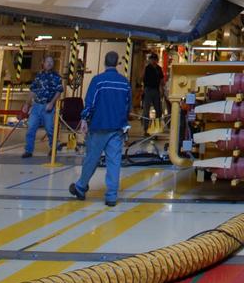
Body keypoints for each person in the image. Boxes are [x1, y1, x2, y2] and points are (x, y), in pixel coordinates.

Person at [69, 51, 132, 207]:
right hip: (117, 128)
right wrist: (124, 124)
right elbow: (127, 106)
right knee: (114, 161)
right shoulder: (125, 83)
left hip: (98, 127)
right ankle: (111, 196)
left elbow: (90, 102)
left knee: (92, 159)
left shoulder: (98, 81)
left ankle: (81, 187)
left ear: (104, 62)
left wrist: (84, 119)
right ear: (118, 63)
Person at [22, 54, 64, 158]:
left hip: (48, 106)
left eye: (51, 62)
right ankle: (28, 150)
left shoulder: (56, 77)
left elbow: (59, 91)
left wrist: (52, 103)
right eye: (47, 61)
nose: (49, 63)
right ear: (43, 63)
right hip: (36, 106)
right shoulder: (38, 76)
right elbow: (32, 91)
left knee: (50, 129)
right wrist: (27, 104)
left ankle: (53, 148)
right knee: (31, 128)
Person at [141, 51, 165, 132]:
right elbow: (142, 77)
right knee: (146, 110)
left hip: (156, 90)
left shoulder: (159, 69)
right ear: (150, 60)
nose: (153, 61)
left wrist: (161, 89)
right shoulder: (147, 68)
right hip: (148, 90)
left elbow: (162, 80)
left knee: (158, 110)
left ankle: (156, 127)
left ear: (157, 60)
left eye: (155, 59)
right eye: (152, 59)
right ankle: (146, 128)